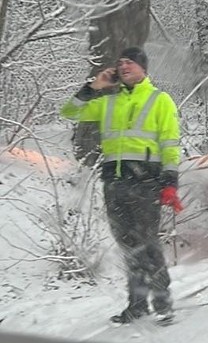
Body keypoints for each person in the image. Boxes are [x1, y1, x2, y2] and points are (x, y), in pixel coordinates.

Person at [61, 46, 182, 324]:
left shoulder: (159, 100)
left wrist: (170, 183)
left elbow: (170, 144)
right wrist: (94, 86)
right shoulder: (107, 102)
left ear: (143, 68)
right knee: (128, 246)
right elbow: (69, 111)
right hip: (114, 182)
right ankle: (137, 304)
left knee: (148, 244)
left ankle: (163, 302)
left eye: (130, 62)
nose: (124, 65)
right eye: (120, 62)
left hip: (145, 182)